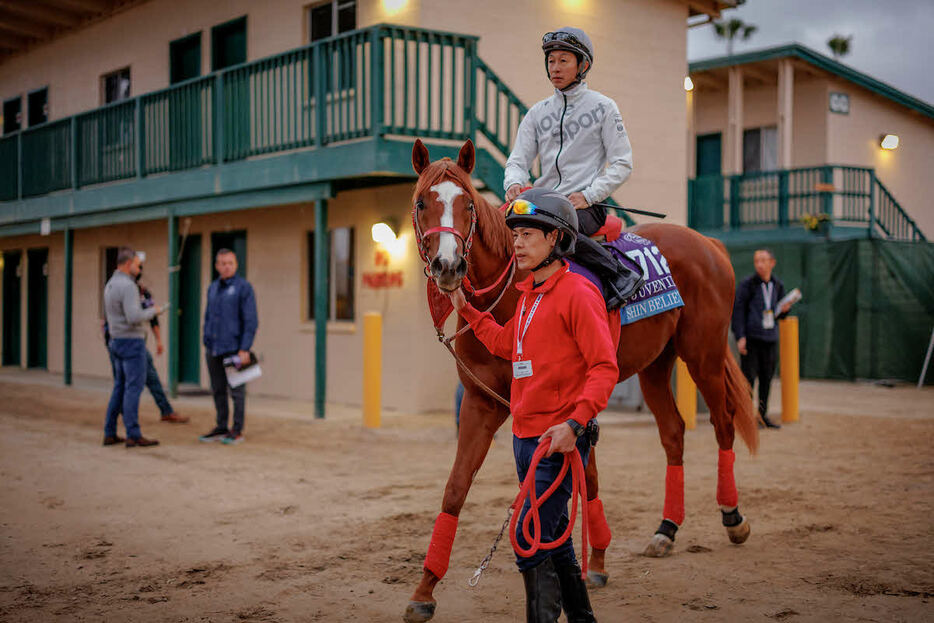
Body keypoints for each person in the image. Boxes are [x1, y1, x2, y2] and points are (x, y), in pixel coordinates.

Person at [449, 188, 618, 623]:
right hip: (524, 439)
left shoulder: (579, 294)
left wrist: (575, 425)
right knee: (554, 536)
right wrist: (467, 311)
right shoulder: (528, 297)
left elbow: (604, 368)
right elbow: (510, 346)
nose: (517, 243)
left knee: (528, 538)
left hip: (557, 442)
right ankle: (583, 617)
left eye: (528, 234)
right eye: (516, 234)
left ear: (557, 240)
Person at [503, 27, 643, 310]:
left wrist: (589, 195)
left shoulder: (604, 107)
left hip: (584, 205)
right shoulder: (536, 113)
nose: (555, 68)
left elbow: (622, 163)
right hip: (542, 204)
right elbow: (517, 161)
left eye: (564, 60)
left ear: (583, 65)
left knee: (555, 237)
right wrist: (514, 183)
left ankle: (618, 273)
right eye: (551, 61)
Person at [103, 265, 188, 424]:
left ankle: (163, 410)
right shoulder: (119, 288)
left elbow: (152, 318)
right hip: (122, 342)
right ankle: (128, 424)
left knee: (143, 378)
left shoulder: (141, 292)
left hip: (133, 343)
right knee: (127, 384)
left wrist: (159, 341)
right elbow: (130, 317)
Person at [103, 247, 169, 447]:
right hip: (131, 342)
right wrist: (154, 310)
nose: (140, 268)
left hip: (116, 341)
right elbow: (134, 317)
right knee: (133, 388)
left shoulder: (110, 284)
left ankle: (110, 431)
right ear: (128, 263)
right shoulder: (128, 286)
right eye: (138, 264)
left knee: (119, 387)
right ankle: (133, 433)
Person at [199, 249, 257, 445]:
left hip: (234, 349)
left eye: (230, 263)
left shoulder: (244, 288)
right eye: (222, 263)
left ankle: (237, 429)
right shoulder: (213, 288)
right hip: (213, 348)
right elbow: (208, 316)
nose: (226, 266)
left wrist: (244, 348)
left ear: (236, 265)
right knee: (217, 390)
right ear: (216, 266)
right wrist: (206, 339)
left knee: (237, 392)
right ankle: (221, 426)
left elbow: (250, 320)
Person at [732, 249, 792, 429]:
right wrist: (740, 336)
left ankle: (762, 415)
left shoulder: (777, 285)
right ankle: (745, 417)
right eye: (757, 261)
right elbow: (738, 312)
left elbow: (779, 315)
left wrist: (785, 309)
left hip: (770, 339)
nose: (759, 264)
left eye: (763, 260)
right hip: (752, 339)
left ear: (772, 263)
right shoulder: (747, 284)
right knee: (748, 379)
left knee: (766, 379)